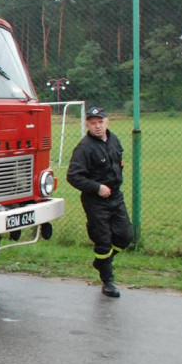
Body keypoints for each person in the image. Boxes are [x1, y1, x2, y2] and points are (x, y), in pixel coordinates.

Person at [66, 106, 133, 297]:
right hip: (95, 201)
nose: (97, 126)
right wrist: (97, 188)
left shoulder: (113, 140)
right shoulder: (84, 148)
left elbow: (118, 163)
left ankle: (102, 262)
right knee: (103, 241)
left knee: (125, 236)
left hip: (116, 197)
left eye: (100, 122)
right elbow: (73, 176)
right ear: (87, 124)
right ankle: (108, 281)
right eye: (93, 123)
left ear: (107, 122)